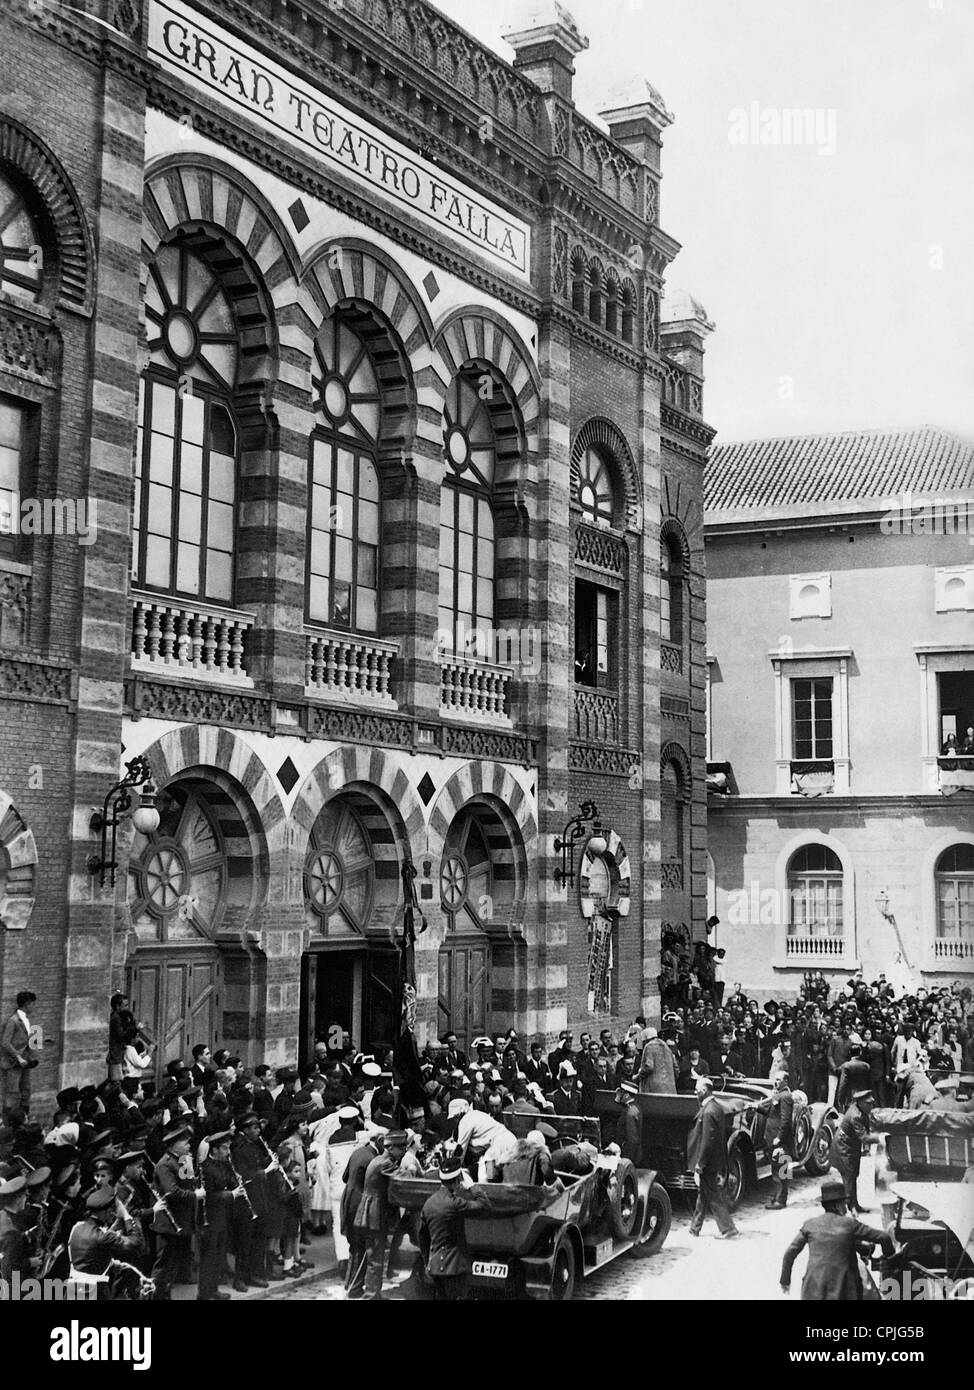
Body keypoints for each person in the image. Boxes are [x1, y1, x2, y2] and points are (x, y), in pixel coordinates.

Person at [779, 1178, 895, 1300]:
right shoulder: (850, 1224)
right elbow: (884, 1237)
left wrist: (785, 1280)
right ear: (838, 1205)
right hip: (844, 1291)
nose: (846, 1207)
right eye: (844, 1203)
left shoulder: (810, 1225)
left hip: (813, 1289)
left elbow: (790, 1253)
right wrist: (889, 1259)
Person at [418, 1152, 492, 1301]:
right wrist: (472, 1185)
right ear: (458, 1179)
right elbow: (485, 1205)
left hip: (435, 1266)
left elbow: (423, 1238)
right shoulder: (455, 1203)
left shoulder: (429, 1203)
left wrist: (428, 1262)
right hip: (454, 1268)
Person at [353, 1128, 408, 1300]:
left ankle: (364, 1291)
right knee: (375, 1258)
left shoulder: (379, 1159)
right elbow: (404, 1178)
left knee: (371, 1254)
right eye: (402, 1147)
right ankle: (371, 1295)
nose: (404, 1150)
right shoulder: (385, 1163)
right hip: (374, 1215)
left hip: (371, 1212)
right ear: (390, 1148)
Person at [687, 1077, 738, 1239]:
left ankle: (728, 1228)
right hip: (715, 1160)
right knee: (703, 1194)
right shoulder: (715, 1107)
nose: (695, 1093)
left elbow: (707, 1141)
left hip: (709, 1162)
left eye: (697, 1090)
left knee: (713, 1196)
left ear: (704, 1090)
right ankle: (694, 1228)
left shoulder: (709, 1111)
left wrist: (700, 1164)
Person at [830, 1089, 872, 1214]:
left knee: (853, 1174)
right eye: (869, 1104)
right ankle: (851, 1206)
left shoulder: (859, 1109)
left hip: (851, 1145)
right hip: (844, 1146)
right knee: (849, 1176)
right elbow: (864, 1137)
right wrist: (880, 1138)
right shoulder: (856, 1115)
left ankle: (855, 1204)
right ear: (861, 1103)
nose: (871, 1106)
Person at [1, 990, 38, 1121]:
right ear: (27, 1004)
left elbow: (30, 1040)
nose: (34, 1007)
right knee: (13, 1093)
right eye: (33, 1004)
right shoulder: (13, 1021)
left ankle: (24, 1119)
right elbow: (5, 1042)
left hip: (25, 1062)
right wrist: (18, 1057)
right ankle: (9, 1122)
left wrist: (31, 1056)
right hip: (14, 1063)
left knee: (26, 1090)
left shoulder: (28, 1020)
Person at [637, 1026, 677, 1094]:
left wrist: (638, 1075)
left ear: (646, 1039)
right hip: (670, 1089)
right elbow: (676, 1067)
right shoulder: (666, 1046)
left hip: (654, 1089)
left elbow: (649, 1067)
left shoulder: (649, 1046)